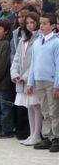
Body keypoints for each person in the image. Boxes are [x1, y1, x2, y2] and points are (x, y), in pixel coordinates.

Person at [27, 12, 59, 152]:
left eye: (45, 23)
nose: (42, 26)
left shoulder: (56, 42)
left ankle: (56, 137)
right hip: (39, 81)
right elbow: (33, 63)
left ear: (53, 25)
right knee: (44, 110)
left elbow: (58, 65)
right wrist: (30, 82)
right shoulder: (36, 42)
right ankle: (47, 136)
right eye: (41, 23)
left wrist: (57, 85)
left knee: (54, 110)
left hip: (51, 81)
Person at [11, 13, 41, 146]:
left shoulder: (39, 38)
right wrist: (15, 74)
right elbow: (17, 58)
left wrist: (25, 76)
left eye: (33, 22)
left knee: (36, 106)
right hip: (21, 79)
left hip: (32, 79)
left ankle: (37, 135)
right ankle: (31, 134)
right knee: (29, 106)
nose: (30, 25)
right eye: (28, 23)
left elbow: (36, 61)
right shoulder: (23, 39)